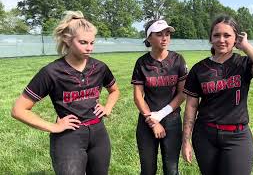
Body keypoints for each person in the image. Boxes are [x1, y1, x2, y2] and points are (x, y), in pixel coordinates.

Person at [11, 11, 120, 175]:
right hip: (68, 137)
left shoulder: (100, 68)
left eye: (92, 42)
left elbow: (114, 90)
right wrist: (53, 127)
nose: (89, 48)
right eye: (83, 42)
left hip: (99, 134)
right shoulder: (51, 72)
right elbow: (18, 110)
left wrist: (108, 107)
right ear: (67, 40)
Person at [181, 15, 253, 175]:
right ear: (210, 39)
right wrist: (186, 141)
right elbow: (191, 106)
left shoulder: (243, 63)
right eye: (217, 35)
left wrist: (246, 46)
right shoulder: (199, 69)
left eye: (227, 35)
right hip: (205, 135)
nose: (221, 39)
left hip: (237, 136)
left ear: (236, 39)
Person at [131, 19, 188, 175]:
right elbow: (138, 96)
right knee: (148, 170)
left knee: (171, 169)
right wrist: (152, 120)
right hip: (147, 121)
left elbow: (182, 93)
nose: (165, 38)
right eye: (159, 34)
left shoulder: (178, 60)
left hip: (172, 120)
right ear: (149, 38)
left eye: (167, 34)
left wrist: (161, 114)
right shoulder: (142, 63)